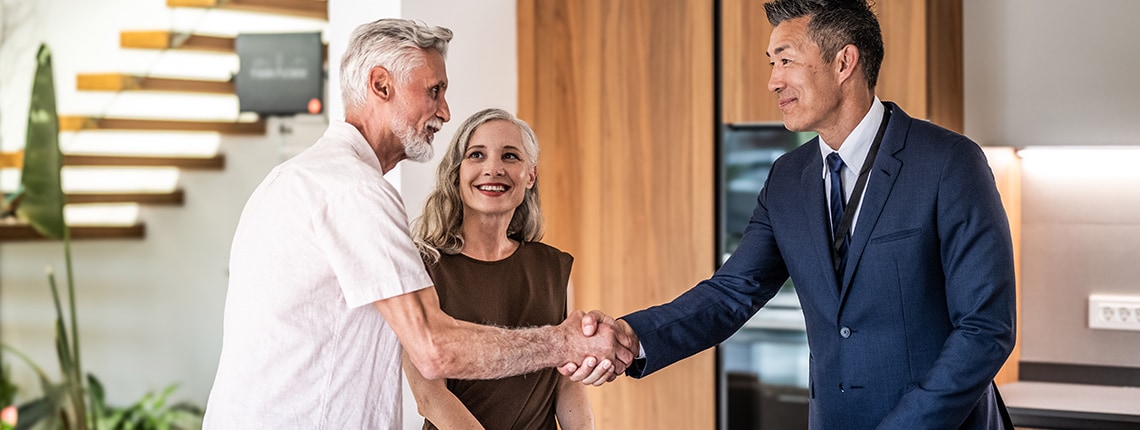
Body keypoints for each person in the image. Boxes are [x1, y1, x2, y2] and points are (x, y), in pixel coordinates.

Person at [566, 0, 1017, 428]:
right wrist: (630, 335)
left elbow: (984, 329)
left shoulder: (949, 163)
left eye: (786, 60)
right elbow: (732, 292)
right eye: (771, 63)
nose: (773, 81)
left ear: (844, 63)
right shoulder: (788, 177)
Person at [203, 19, 631, 429]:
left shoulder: (300, 178)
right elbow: (433, 349)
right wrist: (565, 342)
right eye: (434, 90)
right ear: (381, 85)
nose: (444, 112)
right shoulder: (354, 190)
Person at [403, 108, 593, 430]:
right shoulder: (423, 267)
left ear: (530, 175)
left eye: (510, 156)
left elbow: (567, 383)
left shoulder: (554, 268)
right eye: (477, 155)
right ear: (458, 172)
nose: (493, 169)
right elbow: (429, 396)